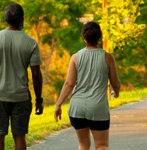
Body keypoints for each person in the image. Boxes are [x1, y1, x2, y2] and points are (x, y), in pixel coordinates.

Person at [0, 3, 44, 150]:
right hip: (21, 97)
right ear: (23, 19)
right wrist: (39, 100)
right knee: (19, 135)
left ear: (5, 19)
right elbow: (36, 74)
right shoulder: (31, 42)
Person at [54, 21, 121, 150]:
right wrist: (115, 92)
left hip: (77, 108)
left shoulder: (75, 57)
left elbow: (69, 84)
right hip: (98, 108)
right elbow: (116, 83)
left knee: (83, 145)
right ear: (100, 37)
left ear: (83, 37)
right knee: (102, 145)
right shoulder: (108, 57)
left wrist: (58, 104)